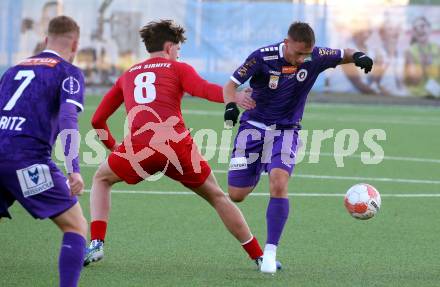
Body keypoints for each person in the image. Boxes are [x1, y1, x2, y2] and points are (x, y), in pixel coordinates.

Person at [85, 19, 269, 270]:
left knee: (101, 179)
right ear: (170, 47)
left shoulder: (127, 75)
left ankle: (96, 243)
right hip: (178, 147)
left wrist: (115, 148)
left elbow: (97, 120)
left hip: (140, 148)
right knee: (217, 197)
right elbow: (203, 89)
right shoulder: (177, 68)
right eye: (179, 49)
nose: (179, 54)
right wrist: (233, 96)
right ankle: (259, 257)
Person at [223, 21, 373, 274]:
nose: (303, 59)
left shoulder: (315, 56)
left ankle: (270, 253)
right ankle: (260, 164)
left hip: (286, 130)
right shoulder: (262, 56)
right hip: (253, 129)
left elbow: (343, 54)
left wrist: (359, 56)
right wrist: (231, 104)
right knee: (237, 194)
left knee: (279, 183)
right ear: (286, 42)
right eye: (298, 53)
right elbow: (230, 85)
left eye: (307, 54)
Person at [0, 16, 87, 287]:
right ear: (75, 44)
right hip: (27, 161)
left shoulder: (12, 70)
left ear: (45, 39)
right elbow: (68, 120)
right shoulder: (68, 72)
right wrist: (74, 169)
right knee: (76, 226)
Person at [404, 16, 440, 97]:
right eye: (415, 28)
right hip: (418, 96)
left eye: (423, 26)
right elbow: (413, 81)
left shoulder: (437, 48)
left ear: (429, 28)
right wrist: (423, 66)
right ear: (413, 32)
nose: (419, 29)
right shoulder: (409, 51)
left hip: (437, 95)